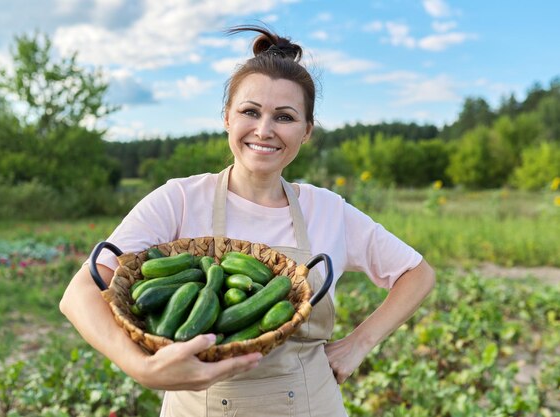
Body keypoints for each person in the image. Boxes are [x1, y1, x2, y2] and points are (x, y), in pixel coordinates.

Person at [60, 25, 435, 417]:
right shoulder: (181, 199)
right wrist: (142, 368)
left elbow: (417, 273)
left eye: (285, 117)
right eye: (250, 112)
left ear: (306, 132)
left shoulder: (329, 209)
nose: (264, 130)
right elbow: (79, 294)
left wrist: (359, 343)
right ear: (226, 118)